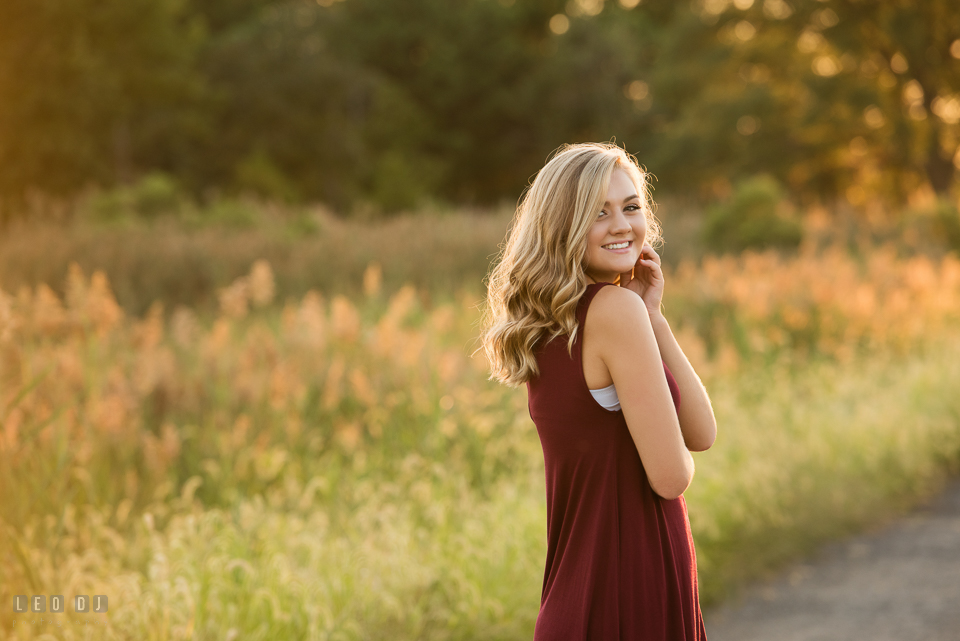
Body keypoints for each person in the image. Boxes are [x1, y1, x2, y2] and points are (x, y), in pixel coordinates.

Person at [480, 142, 718, 640]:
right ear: (563, 227)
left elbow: (701, 431)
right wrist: (637, 315)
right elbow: (674, 475)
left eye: (631, 207)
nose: (622, 225)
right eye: (597, 213)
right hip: (629, 587)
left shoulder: (548, 325)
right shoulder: (611, 312)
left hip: (575, 594)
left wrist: (654, 317)